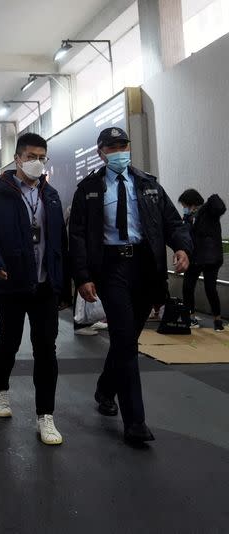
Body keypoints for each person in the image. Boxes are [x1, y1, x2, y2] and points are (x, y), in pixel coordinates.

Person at [68, 127, 191, 447]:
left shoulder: (149, 185)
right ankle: (135, 422)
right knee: (125, 340)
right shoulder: (89, 189)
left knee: (126, 339)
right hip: (111, 269)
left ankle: (105, 390)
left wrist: (182, 248)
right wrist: (82, 275)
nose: (120, 150)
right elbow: (77, 235)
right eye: (112, 146)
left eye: (123, 145)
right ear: (101, 152)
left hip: (145, 268)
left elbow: (172, 222)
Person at [0, 133, 69, 446]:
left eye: (42, 156)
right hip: (11, 283)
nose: (37, 162)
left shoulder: (50, 195)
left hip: (44, 286)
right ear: (17, 159)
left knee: (46, 349)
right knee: (9, 342)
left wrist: (63, 283)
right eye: (31, 156)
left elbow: (59, 242)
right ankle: (0, 390)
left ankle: (46, 416)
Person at [179, 189, 226, 331]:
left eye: (185, 205)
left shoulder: (209, 212)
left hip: (211, 258)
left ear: (192, 203)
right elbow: (186, 235)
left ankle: (218, 320)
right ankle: (191, 317)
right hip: (194, 257)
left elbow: (220, 207)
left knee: (210, 289)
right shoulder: (189, 218)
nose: (184, 209)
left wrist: (212, 198)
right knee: (187, 287)